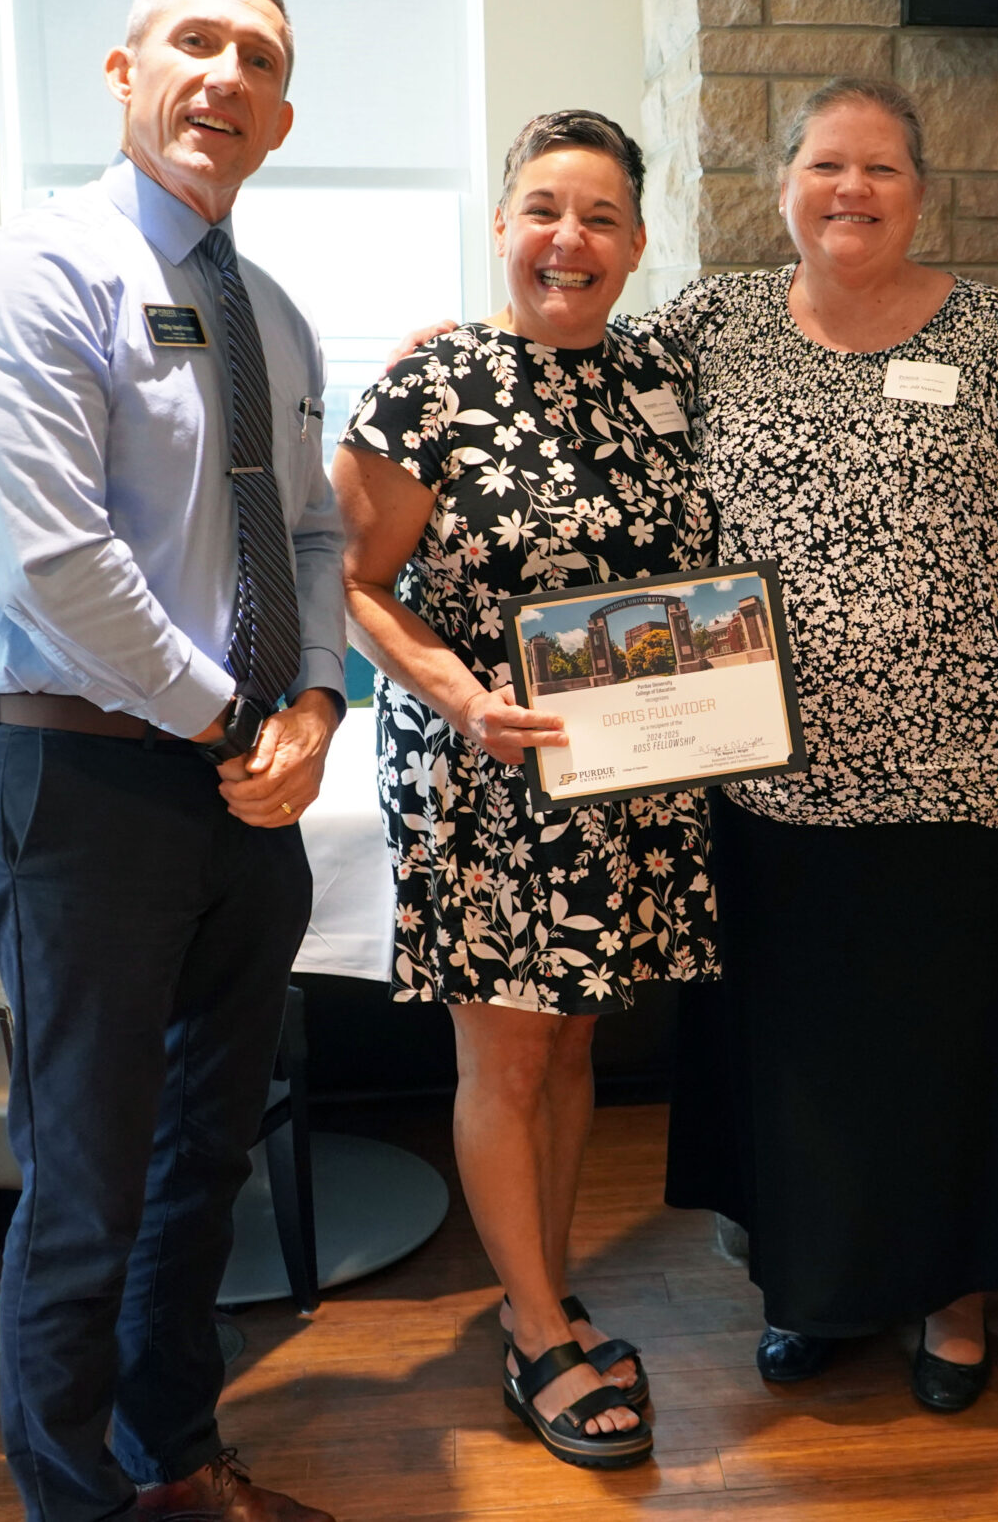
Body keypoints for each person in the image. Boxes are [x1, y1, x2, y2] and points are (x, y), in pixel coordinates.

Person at [658, 77, 998, 1412]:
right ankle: (823, 1291)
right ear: (784, 188)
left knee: (949, 1062)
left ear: (922, 194)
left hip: (971, 793)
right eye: (825, 165)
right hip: (769, 792)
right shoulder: (714, 327)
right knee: (808, 1071)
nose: (850, 189)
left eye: (879, 168)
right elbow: (575, 392)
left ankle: (954, 1306)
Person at [0, 0, 338, 1522]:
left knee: (204, 1169)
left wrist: (312, 712)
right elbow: (56, 563)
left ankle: (172, 1456)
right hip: (85, 784)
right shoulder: (40, 272)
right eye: (196, 41)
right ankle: (72, 1504)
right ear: (124, 72)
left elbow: (306, 542)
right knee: (87, 1194)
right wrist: (241, 718)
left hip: (248, 800)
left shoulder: (281, 319)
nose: (225, 73)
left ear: (282, 117)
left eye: (259, 57)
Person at [333, 111, 716, 1470]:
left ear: (636, 245)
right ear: (502, 227)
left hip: (624, 772)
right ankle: (542, 1331)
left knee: (571, 1042)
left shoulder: (661, 380)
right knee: (503, 1049)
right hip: (485, 766)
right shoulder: (430, 385)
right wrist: (456, 695)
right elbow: (357, 579)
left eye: (602, 217)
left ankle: (538, 1287)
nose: (572, 238)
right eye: (545, 209)